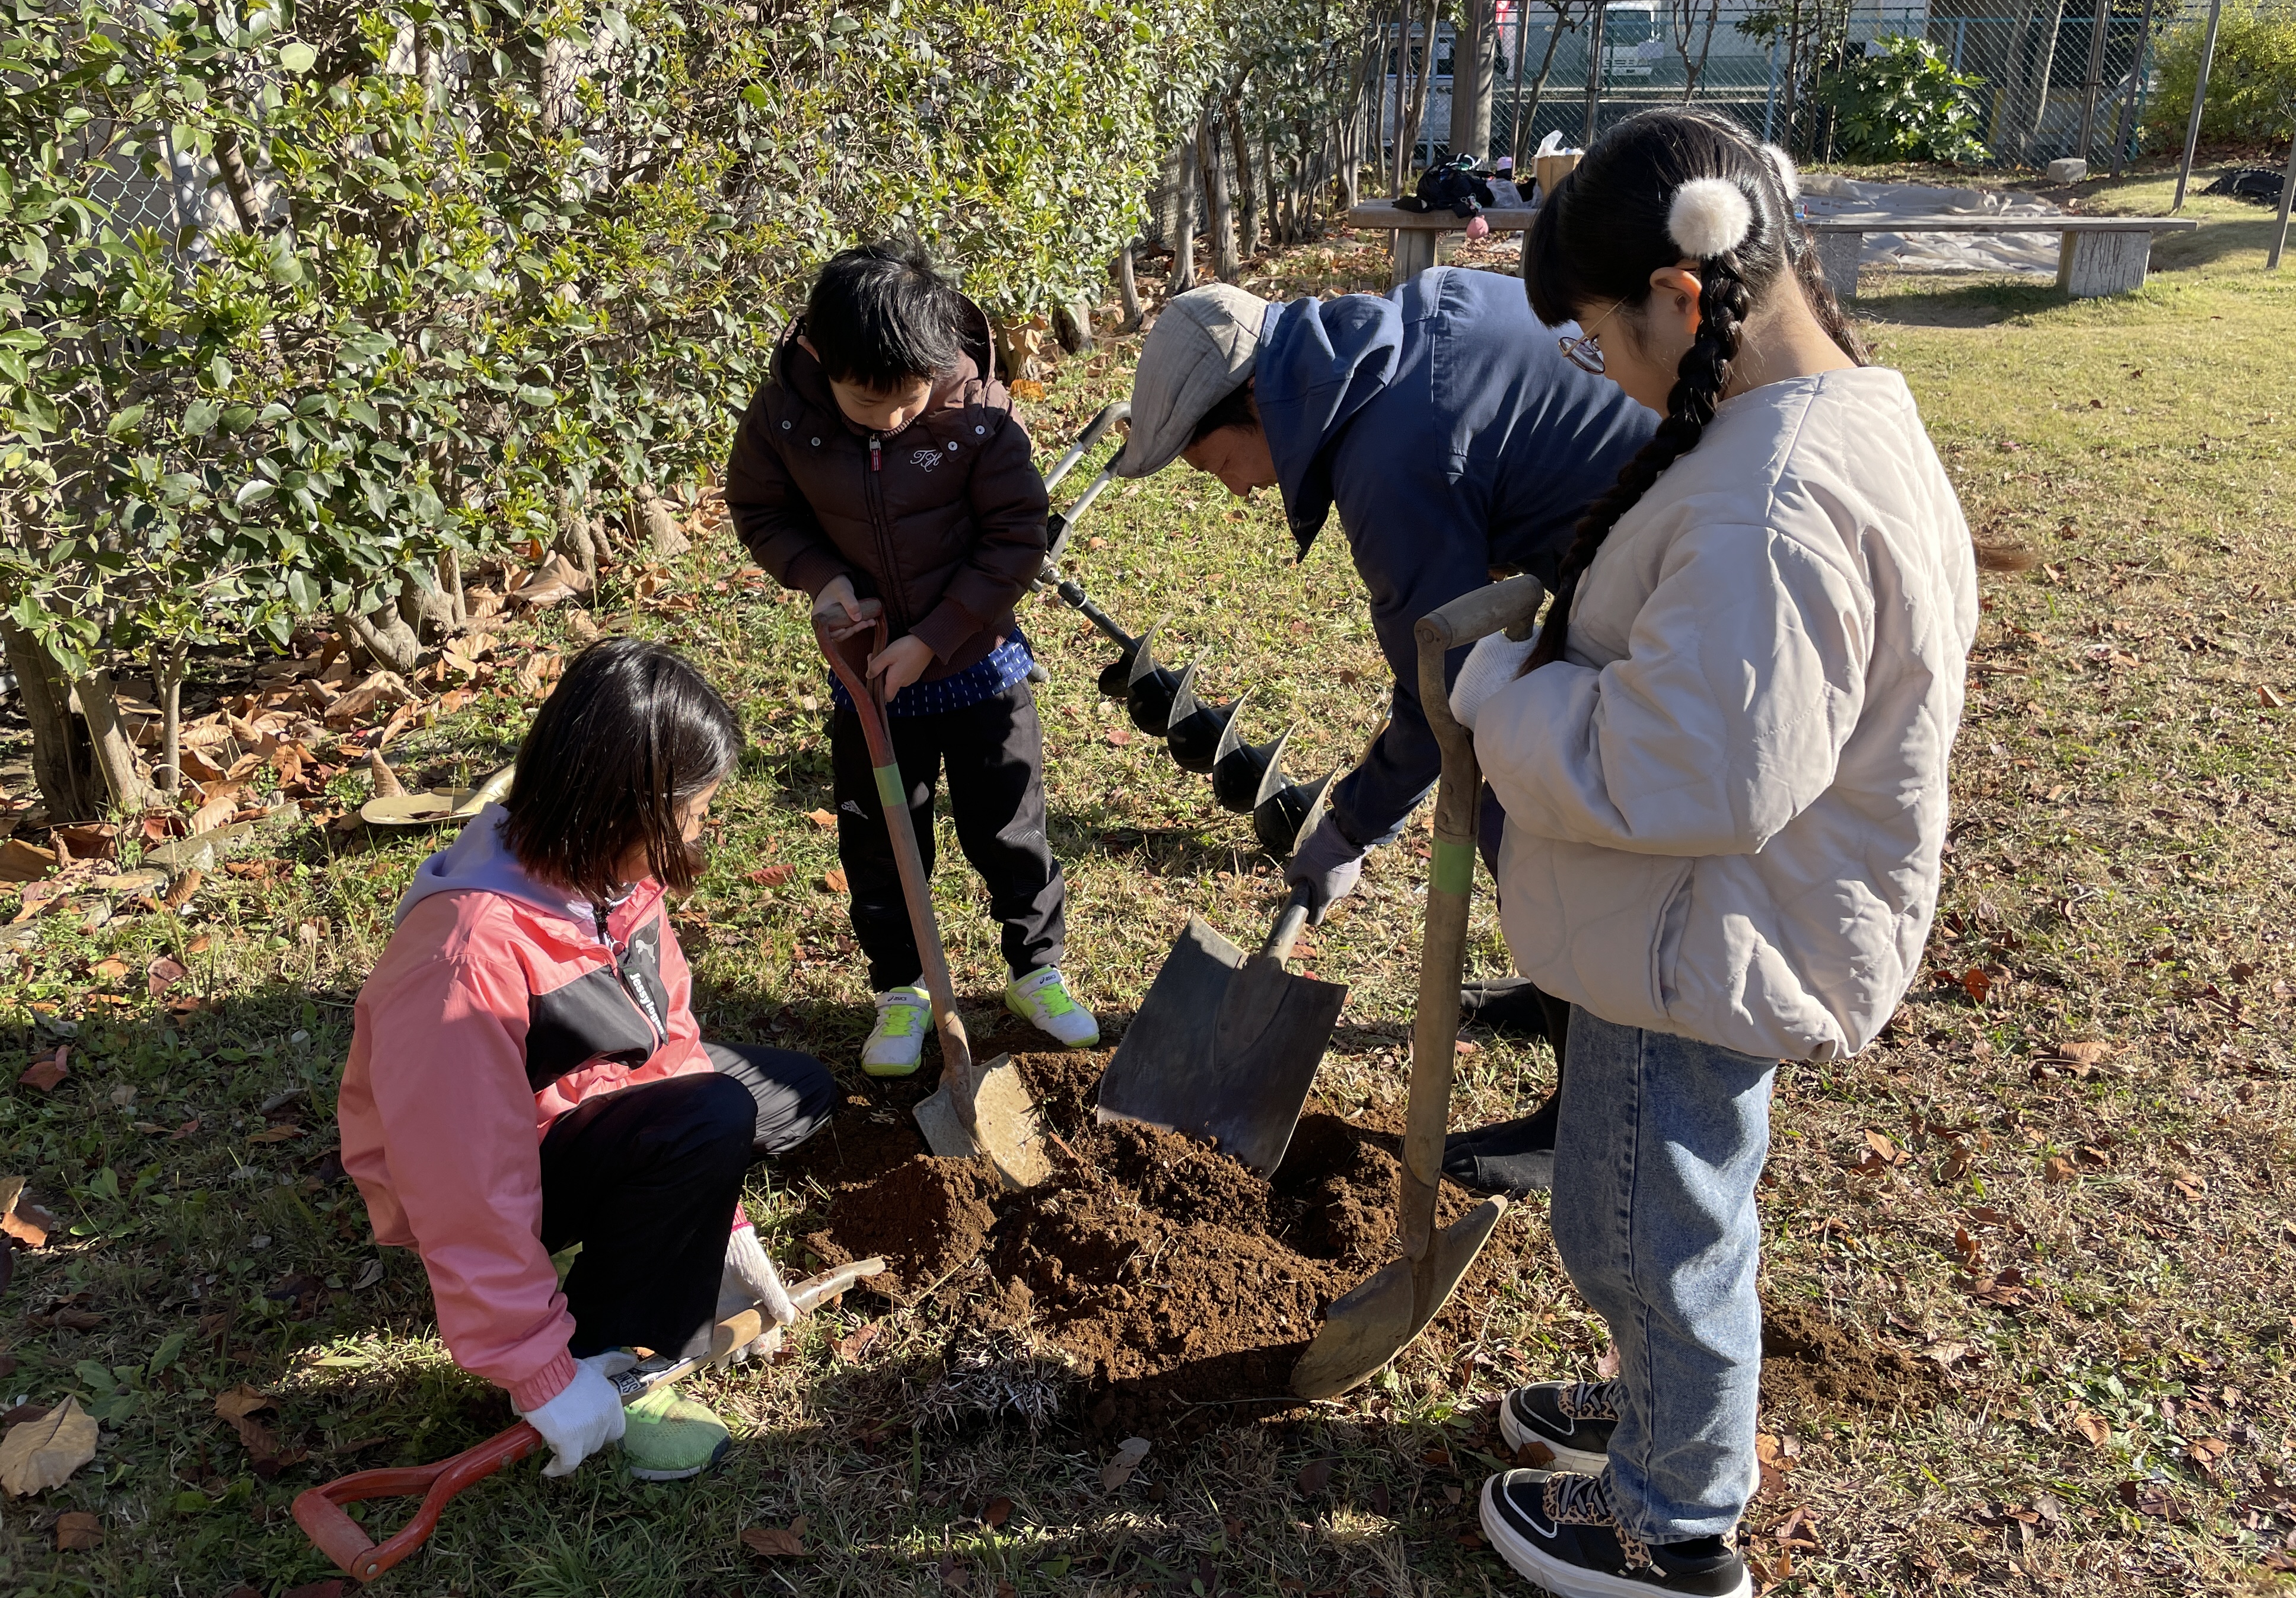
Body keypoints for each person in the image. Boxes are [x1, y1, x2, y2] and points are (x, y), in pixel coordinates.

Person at [1453, 110, 1977, 1594]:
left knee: (1650, 1226)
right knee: (1656, 1208)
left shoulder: (1772, 498)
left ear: (1682, 300)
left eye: (1602, 340)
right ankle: (1667, 1419)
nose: (1606, 374)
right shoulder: (1820, 424)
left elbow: (1689, 769)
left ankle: (1674, 1519)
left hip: (1699, 940)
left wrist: (1505, 699)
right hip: (1712, 925)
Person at [1118, 264, 1654, 1193]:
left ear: (1254, 402)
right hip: (1625, 538)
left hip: (1669, 572)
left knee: (1525, 803)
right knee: (1516, 775)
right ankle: (1563, 988)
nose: (1238, 493)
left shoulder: (1390, 455)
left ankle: (1589, 1122)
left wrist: (1351, 828)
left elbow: (1442, 697)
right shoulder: (1395, 334)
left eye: (1217, 467)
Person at [338, 639, 838, 1481]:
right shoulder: (465, 960)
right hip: (487, 1163)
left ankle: (637, 1226)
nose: (701, 828)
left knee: (788, 1094)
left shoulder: (608, 879)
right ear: (628, 807)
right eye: (695, 810)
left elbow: (667, 1041)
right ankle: (618, 1352)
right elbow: (464, 1187)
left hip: (573, 1108)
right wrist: (543, 1373)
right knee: (712, 1119)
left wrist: (719, 1220)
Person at [726, 240, 1095, 1078]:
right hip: (871, 679)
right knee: (881, 833)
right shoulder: (786, 417)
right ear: (821, 360)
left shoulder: (977, 416)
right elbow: (760, 509)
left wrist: (935, 635)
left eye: (909, 399)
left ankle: (1036, 969)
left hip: (979, 664)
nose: (891, 417)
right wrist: (822, 579)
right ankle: (903, 987)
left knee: (1008, 823)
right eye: (867, 401)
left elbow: (1015, 540)